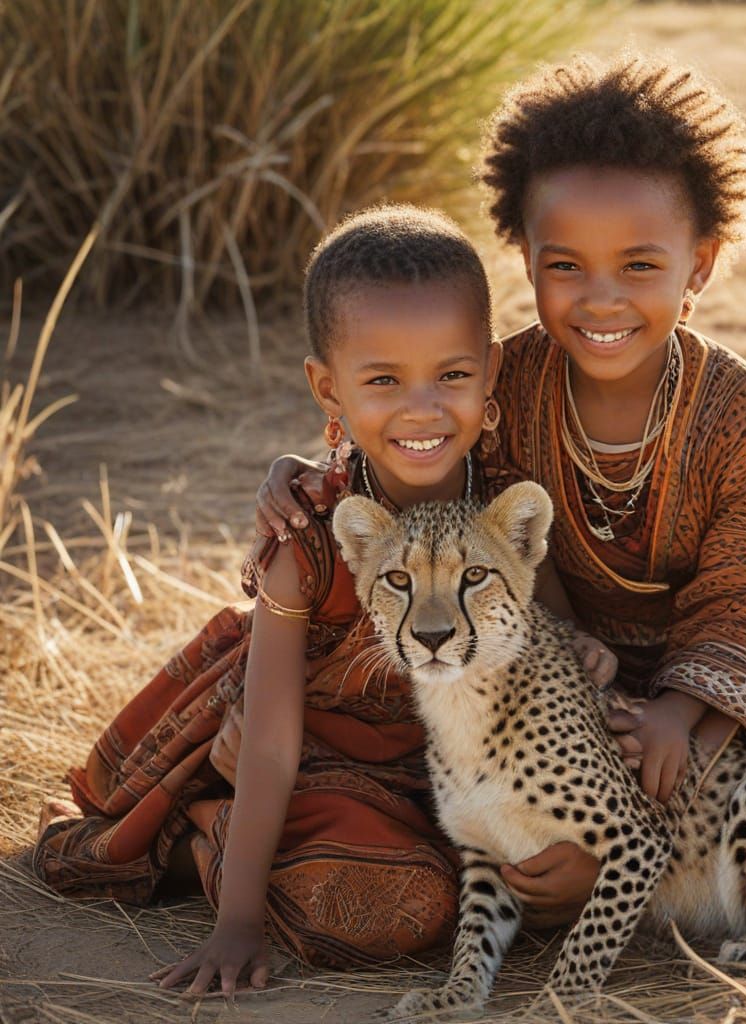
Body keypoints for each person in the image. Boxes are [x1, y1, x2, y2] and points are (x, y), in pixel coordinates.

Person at [257, 54, 746, 926]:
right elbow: (417, 452)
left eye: (641, 266)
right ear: (526, 259)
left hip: (707, 695)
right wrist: (307, 471)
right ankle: (584, 844)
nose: (601, 298)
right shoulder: (504, 380)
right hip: (533, 683)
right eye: (566, 265)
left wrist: (682, 715)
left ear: (701, 264)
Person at [32, 204, 615, 996]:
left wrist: (590, 655)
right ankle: (196, 836)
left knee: (490, 879)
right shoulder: (307, 539)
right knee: (390, 912)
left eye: (452, 374)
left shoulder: (505, 510)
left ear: (490, 371)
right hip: (306, 763)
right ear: (326, 388)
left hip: (448, 777)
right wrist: (236, 920)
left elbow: (555, 642)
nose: (421, 409)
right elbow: (270, 744)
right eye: (382, 381)